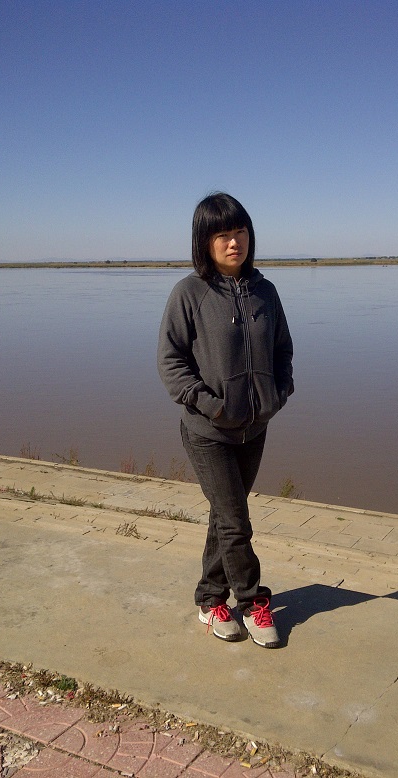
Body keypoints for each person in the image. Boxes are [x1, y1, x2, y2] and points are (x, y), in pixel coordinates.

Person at [157, 192, 294, 648]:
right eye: (222, 235)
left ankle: (209, 597)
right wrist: (211, 404)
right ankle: (253, 602)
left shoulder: (265, 292)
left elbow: (282, 350)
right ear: (204, 241)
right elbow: (170, 361)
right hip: (208, 430)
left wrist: (278, 394)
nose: (234, 242)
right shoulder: (189, 293)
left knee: (224, 515)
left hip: (255, 428)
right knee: (236, 522)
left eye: (240, 231)